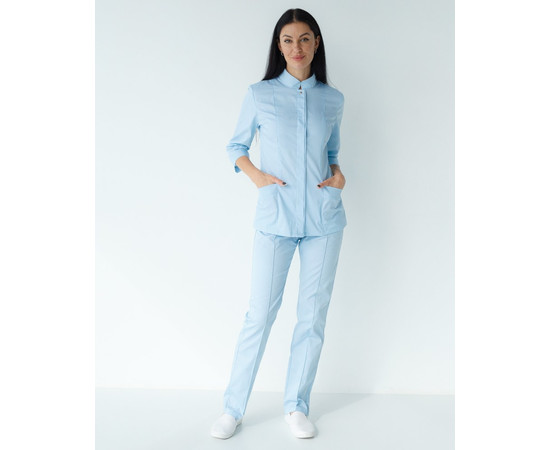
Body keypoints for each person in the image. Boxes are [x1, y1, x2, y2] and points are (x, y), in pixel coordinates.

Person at [211, 8, 347, 440]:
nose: (297, 47)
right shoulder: (260, 94)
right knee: (260, 314)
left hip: (324, 221)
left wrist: (338, 175)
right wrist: (257, 177)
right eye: (288, 40)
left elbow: (332, 153)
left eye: (305, 38)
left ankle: (296, 407)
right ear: (279, 46)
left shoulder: (333, 99)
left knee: (312, 316)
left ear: (316, 43)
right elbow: (235, 146)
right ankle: (232, 409)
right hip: (276, 218)